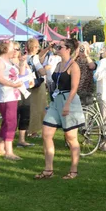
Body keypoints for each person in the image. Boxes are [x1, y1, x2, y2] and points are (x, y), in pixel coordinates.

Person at [35, 39, 84, 179]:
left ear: (68, 49)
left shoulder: (73, 66)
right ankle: (48, 169)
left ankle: (73, 170)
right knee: (46, 133)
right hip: (56, 102)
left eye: (60, 46)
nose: (57, 48)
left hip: (69, 101)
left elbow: (74, 88)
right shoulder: (57, 64)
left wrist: (67, 105)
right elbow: (39, 59)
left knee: (70, 137)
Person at [0, 40, 26, 160]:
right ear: (5, 48)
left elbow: (21, 73)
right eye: (13, 48)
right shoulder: (0, 61)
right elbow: (0, 78)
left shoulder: (10, 61)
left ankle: (0, 148)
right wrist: (14, 85)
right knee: (11, 123)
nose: (15, 50)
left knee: (7, 122)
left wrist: (22, 63)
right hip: (6, 96)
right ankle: (9, 152)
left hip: (13, 95)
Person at [11, 43, 35, 148]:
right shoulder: (8, 62)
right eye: (13, 49)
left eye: (17, 49)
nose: (16, 51)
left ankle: (22, 139)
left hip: (26, 90)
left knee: (25, 114)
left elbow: (29, 73)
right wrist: (21, 63)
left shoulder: (23, 60)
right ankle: (9, 139)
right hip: (14, 91)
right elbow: (20, 73)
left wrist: (32, 81)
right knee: (14, 115)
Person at [26, 38, 48, 138]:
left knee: (28, 107)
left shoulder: (25, 57)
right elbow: (41, 71)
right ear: (34, 47)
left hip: (27, 85)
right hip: (37, 85)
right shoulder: (34, 58)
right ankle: (33, 131)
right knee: (37, 108)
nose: (38, 48)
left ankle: (26, 129)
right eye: (38, 46)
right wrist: (46, 68)